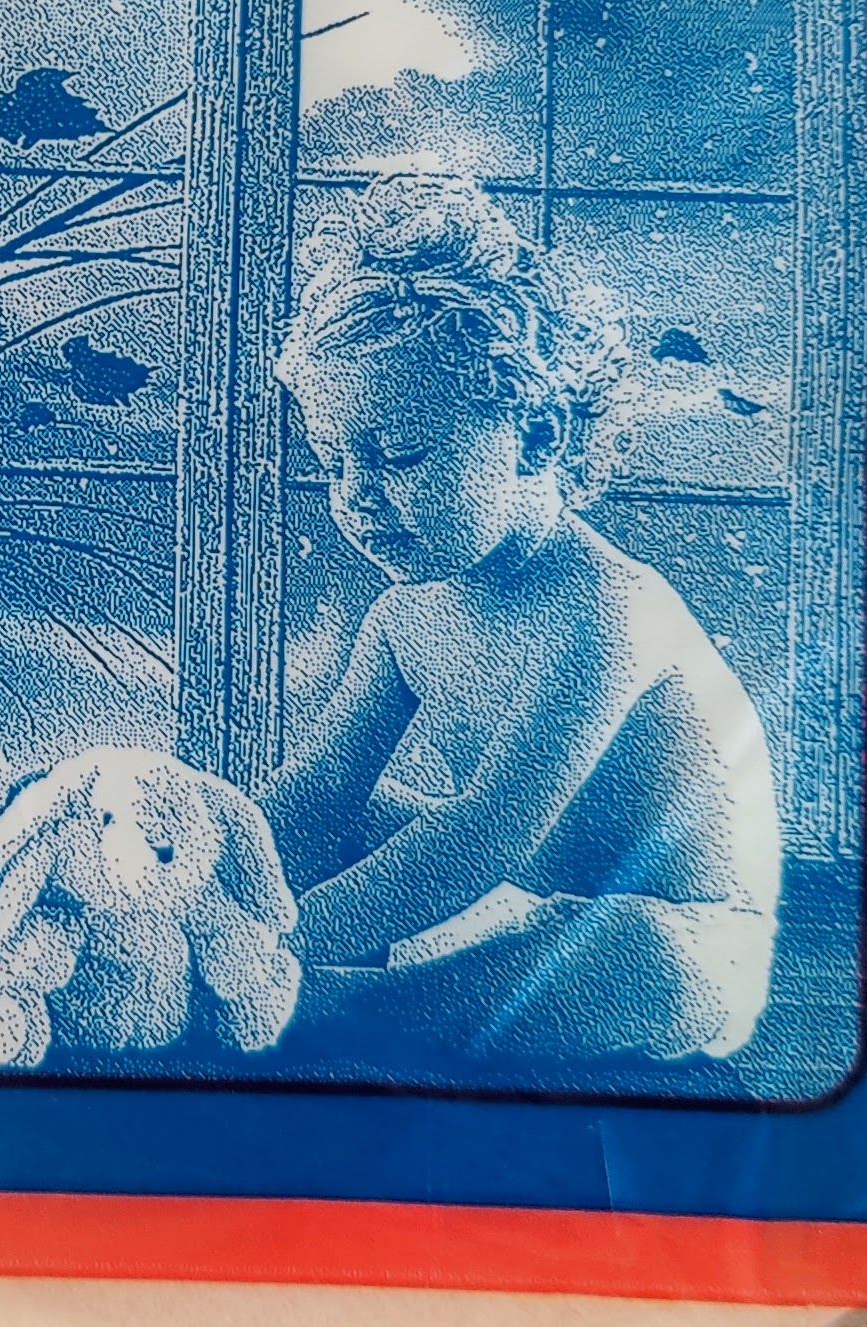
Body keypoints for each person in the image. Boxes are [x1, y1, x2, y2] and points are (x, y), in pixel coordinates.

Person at [258, 174, 781, 1064]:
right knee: (326, 816)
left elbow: (489, 828)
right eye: (332, 462)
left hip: (675, 933)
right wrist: (214, 892)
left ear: (536, 436)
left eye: (399, 456)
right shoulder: (399, 618)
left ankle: (329, 1002)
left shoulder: (607, 610)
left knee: (645, 962)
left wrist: (281, 942)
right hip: (503, 907)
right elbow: (318, 788)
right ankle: (328, 989)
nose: (357, 496)